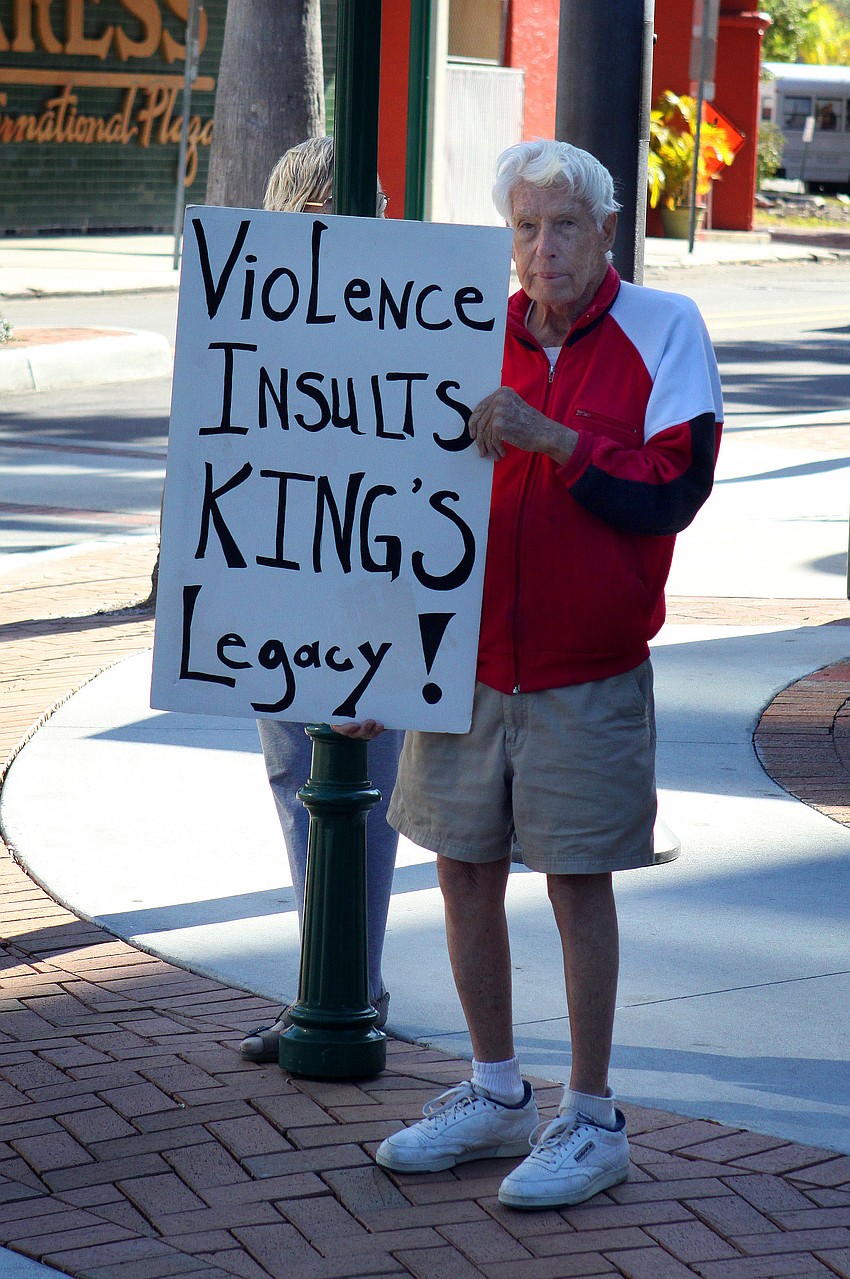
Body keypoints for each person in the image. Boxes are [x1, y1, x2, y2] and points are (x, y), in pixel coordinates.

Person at [374, 139, 723, 1209]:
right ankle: (493, 1092)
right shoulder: (462, 331)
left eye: (563, 225)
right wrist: (366, 664)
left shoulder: (665, 330)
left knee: (578, 883)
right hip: (465, 664)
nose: (542, 247)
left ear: (605, 232)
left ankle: (590, 1114)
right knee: (462, 866)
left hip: (588, 670)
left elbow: (672, 491)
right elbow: (381, 496)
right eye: (524, 227)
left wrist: (556, 442)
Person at [240, 137, 402, 1063]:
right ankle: (324, 981)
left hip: (372, 601)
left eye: (338, 220)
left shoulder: (416, 318)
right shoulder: (255, 316)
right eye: (302, 224)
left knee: (362, 798)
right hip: (274, 594)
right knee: (292, 782)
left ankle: (351, 989)